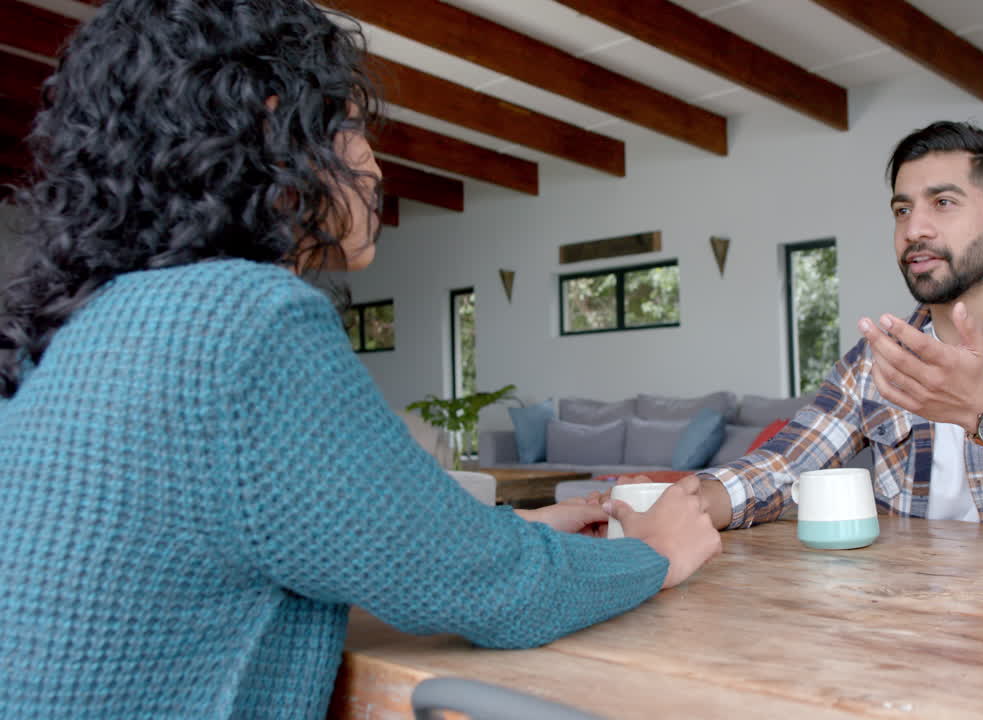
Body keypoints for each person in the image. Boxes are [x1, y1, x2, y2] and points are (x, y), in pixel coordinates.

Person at [0, 2, 719, 717]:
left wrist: (513, 532)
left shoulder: (83, 330)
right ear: (275, 134)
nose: (374, 164)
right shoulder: (242, 322)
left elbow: (337, 540)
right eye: (350, 128)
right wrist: (653, 552)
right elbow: (507, 595)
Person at [618, 121, 983, 546]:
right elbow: (785, 465)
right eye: (901, 210)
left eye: (943, 203)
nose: (914, 229)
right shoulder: (878, 358)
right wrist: (680, 503)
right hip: (908, 624)